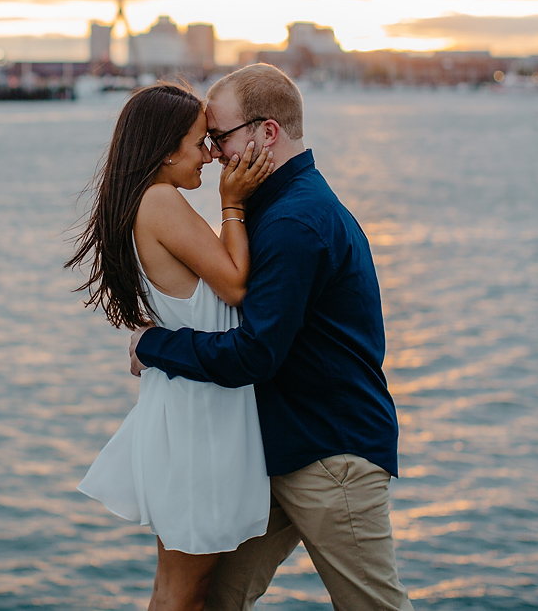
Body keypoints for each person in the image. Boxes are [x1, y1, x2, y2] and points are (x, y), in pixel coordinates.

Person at [129, 64, 414, 611]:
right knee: (213, 598)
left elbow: (255, 353)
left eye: (221, 136)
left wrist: (153, 346)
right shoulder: (275, 207)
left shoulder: (293, 221)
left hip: (331, 455)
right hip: (278, 447)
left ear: (266, 133)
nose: (214, 153)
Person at [68, 82, 277, 611]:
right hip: (198, 421)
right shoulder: (160, 202)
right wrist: (233, 202)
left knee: (179, 587)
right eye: (199, 142)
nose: (211, 153)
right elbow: (233, 285)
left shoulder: (148, 202)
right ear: (165, 150)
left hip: (190, 409)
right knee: (183, 591)